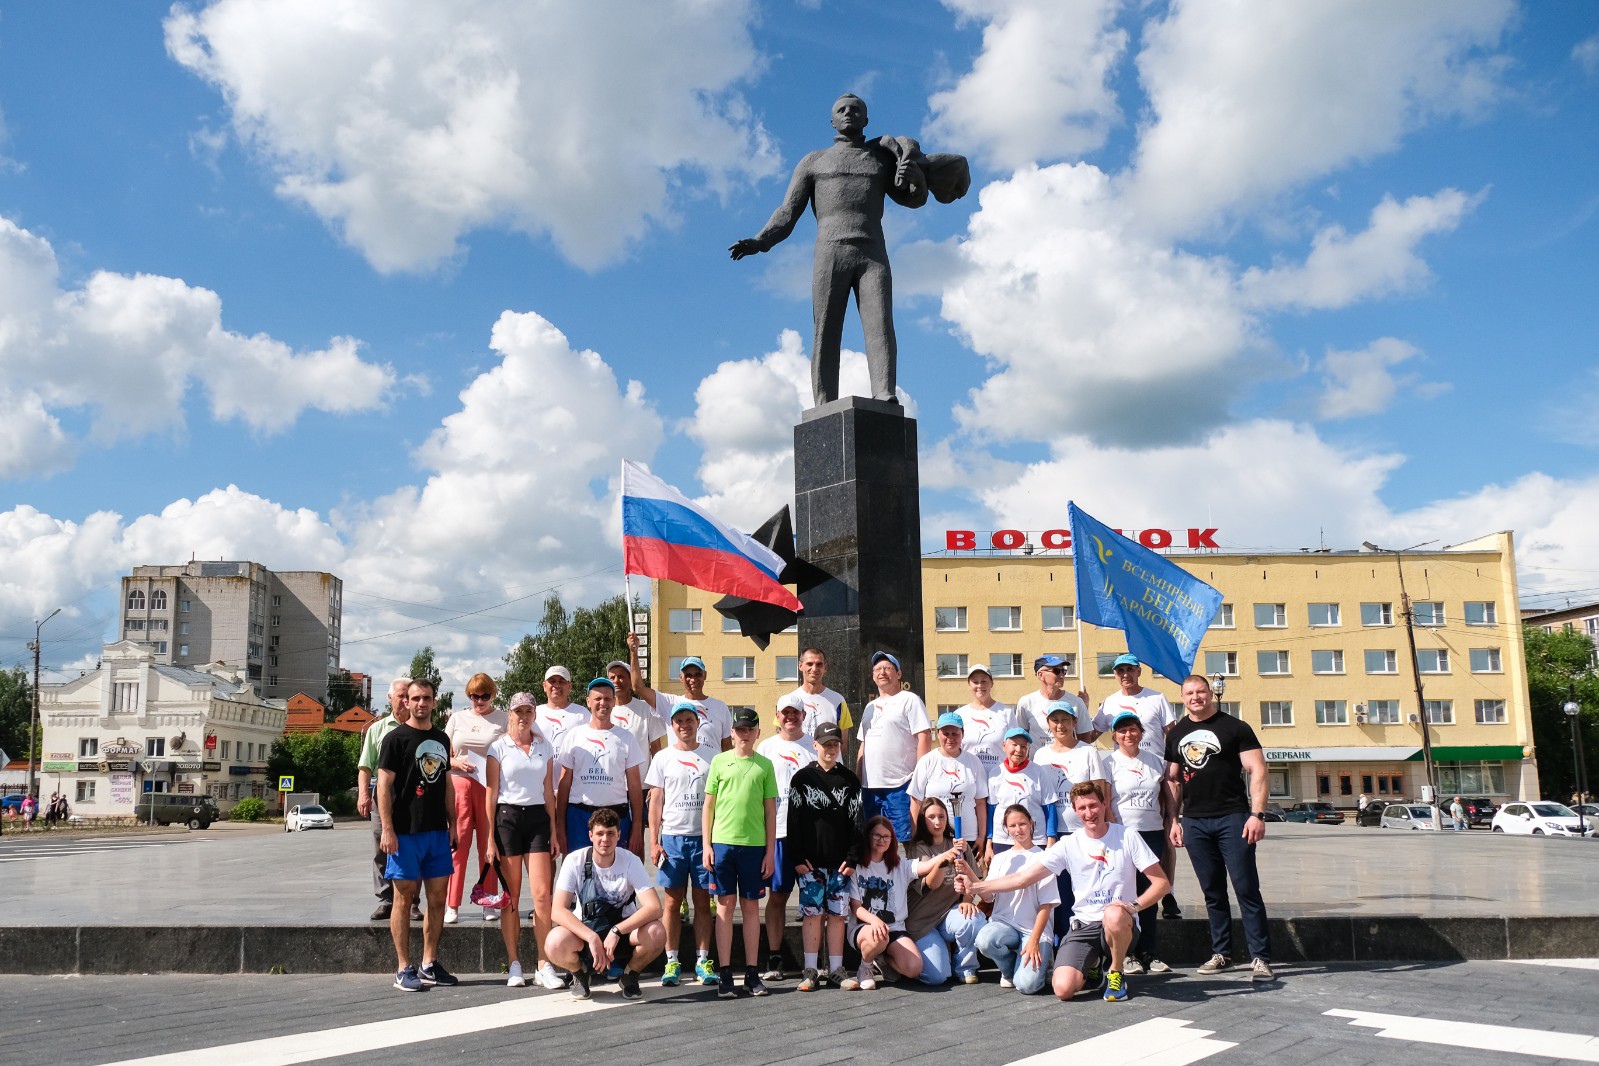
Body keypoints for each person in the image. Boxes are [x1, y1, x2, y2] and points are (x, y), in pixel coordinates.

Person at [729, 93, 967, 406]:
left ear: (866, 119)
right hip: (830, 253)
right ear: (832, 120)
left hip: (872, 254)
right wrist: (761, 241)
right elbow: (788, 211)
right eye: (841, 110)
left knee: (880, 324)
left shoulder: (881, 159)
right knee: (826, 330)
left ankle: (884, 392)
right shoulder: (814, 161)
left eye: (855, 109)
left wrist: (916, 181)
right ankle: (824, 402)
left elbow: (913, 199)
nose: (848, 113)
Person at [966, 783, 1170, 1003]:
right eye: (1082, 808)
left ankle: (1116, 972)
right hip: (1084, 925)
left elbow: (1162, 884)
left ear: (1104, 805)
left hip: (1120, 924)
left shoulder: (1127, 836)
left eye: (1093, 805)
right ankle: (1093, 968)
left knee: (1113, 913)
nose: (1089, 813)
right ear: (1075, 810)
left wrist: (1133, 907)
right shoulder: (1069, 843)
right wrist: (976, 886)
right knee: (1062, 989)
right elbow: (1023, 878)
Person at [1165, 674, 1274, 981]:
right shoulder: (1176, 734)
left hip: (1234, 818)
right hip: (1196, 822)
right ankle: (1221, 953)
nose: (1195, 697)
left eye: (1200, 691)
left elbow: (1257, 770)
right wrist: (1175, 820)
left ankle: (1260, 957)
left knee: (1246, 888)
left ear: (1210, 694)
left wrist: (1258, 814)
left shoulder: (1235, 728)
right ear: (1183, 697)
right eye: (1189, 693)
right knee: (1212, 891)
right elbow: (1172, 778)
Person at [377, 678, 459, 992]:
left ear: (434, 702)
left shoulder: (440, 738)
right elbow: (382, 786)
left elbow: (447, 785)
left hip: (437, 832)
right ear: (406, 702)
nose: (421, 703)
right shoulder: (395, 739)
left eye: (426, 698)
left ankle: (428, 963)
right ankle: (402, 968)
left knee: (437, 900)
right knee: (403, 899)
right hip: (405, 833)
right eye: (415, 698)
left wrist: (453, 823)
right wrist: (387, 829)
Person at [545, 807, 667, 1001]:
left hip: (622, 933)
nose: (605, 839)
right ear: (590, 835)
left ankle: (630, 975)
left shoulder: (630, 861)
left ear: (619, 835)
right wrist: (591, 937)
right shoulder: (574, 861)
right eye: (600, 833)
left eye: (610, 834)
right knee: (553, 942)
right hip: (587, 932)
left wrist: (617, 931)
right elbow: (557, 911)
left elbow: (654, 907)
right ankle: (580, 974)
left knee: (657, 932)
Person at [1092, 653, 1181, 917]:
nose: (1125, 675)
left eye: (1130, 669)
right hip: (1124, 774)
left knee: (1164, 833)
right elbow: (1090, 735)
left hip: (1157, 772)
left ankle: (1168, 893)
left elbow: (1173, 736)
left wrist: (1176, 768)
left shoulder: (1156, 698)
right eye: (1120, 671)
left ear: (1138, 671)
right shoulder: (1110, 702)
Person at [484, 692, 561, 989]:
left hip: (539, 819)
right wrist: (490, 838)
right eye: (518, 711)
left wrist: (553, 830)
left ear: (534, 714)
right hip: (508, 820)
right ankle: (514, 963)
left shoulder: (545, 746)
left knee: (543, 895)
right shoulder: (498, 748)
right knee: (511, 897)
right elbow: (491, 794)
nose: (523, 716)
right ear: (510, 714)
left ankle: (544, 963)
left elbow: (548, 791)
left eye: (528, 711)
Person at [702, 707, 780, 998]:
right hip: (722, 844)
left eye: (750, 729)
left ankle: (751, 971)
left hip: (754, 846)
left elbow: (770, 812)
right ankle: (724, 972)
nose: (744, 734)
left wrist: (770, 852)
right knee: (724, 907)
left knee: (750, 908)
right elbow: (708, 806)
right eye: (740, 729)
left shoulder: (765, 765)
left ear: (758, 732)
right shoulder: (719, 762)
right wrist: (707, 845)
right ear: (732, 733)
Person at [645, 700, 721, 987]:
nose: (684, 725)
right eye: (678, 721)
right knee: (672, 903)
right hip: (673, 839)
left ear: (697, 723)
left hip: (704, 840)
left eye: (689, 720)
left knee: (703, 902)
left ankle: (703, 961)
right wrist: (654, 841)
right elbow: (656, 802)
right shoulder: (662, 757)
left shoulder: (713, 757)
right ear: (672, 725)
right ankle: (672, 961)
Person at [787, 720, 863, 991]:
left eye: (835, 744)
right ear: (815, 745)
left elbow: (857, 821)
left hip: (840, 865)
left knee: (838, 915)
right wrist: (797, 857)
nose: (831, 749)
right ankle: (810, 970)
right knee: (812, 914)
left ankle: (836, 969)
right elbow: (792, 820)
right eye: (826, 744)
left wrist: (853, 857)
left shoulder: (850, 780)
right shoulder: (802, 779)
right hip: (811, 864)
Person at [756, 694, 817, 981]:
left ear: (804, 715)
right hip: (778, 833)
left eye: (796, 712)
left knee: (815, 899)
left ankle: (815, 961)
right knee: (778, 896)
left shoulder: (816, 746)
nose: (790, 717)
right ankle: (775, 956)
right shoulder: (766, 747)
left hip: (811, 837)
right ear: (777, 715)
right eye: (785, 712)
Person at [1107, 711, 1172, 975]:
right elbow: (1105, 802)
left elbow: (1165, 799)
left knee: (1149, 894)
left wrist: (1170, 823)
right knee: (1125, 894)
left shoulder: (1156, 762)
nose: (1128, 735)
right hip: (1123, 836)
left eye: (1133, 729)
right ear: (1114, 736)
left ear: (1142, 733)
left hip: (1151, 833)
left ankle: (1149, 952)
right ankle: (1128, 954)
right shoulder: (1108, 763)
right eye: (1122, 731)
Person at [555, 678, 647, 859]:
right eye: (597, 699)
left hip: (616, 817)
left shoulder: (626, 738)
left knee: (616, 878)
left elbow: (635, 786)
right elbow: (564, 783)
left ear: (614, 701)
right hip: (579, 818)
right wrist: (560, 825)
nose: (602, 703)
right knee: (578, 875)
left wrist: (637, 827)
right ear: (588, 701)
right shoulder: (574, 736)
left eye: (607, 699)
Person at [443, 672, 507, 924]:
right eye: (473, 696)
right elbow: (440, 755)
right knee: (457, 847)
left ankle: (488, 899)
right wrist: (455, 761)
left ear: (493, 695)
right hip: (460, 785)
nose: (479, 701)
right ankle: (452, 904)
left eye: (484, 696)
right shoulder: (457, 718)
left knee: (488, 847)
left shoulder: (503, 718)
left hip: (490, 786)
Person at [972, 805, 1057, 994]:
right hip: (1005, 925)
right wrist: (972, 881)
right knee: (985, 939)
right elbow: (989, 895)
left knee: (1028, 986)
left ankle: (1044, 960)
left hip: (1034, 931)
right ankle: (1009, 969)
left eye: (1022, 824)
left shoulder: (1044, 858)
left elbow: (1046, 905)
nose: (1018, 830)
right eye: (1013, 826)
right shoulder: (1000, 858)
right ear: (1006, 829)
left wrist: (1034, 940)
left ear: (1032, 824)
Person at [357, 678, 420, 922]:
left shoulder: (422, 728)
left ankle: (412, 902)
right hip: (383, 797)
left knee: (413, 849)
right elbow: (365, 766)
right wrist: (363, 793)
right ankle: (386, 899)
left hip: (414, 798)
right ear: (390, 698)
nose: (406, 701)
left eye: (409, 696)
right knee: (381, 848)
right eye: (402, 695)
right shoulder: (377, 729)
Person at [905, 797, 986, 985]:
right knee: (937, 977)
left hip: (947, 914)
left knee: (973, 918)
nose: (937, 822)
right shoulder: (918, 849)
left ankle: (966, 968)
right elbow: (932, 884)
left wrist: (966, 900)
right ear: (923, 819)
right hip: (922, 921)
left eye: (941, 817)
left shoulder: (958, 845)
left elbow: (972, 879)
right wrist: (943, 861)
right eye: (931, 817)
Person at [856, 650, 932, 842]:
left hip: (900, 785)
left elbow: (924, 736)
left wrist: (920, 776)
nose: (882, 672)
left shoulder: (910, 700)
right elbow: (863, 744)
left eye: (888, 668)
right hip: (870, 787)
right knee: (874, 842)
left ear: (898, 674)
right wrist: (858, 780)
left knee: (902, 841)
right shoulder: (869, 707)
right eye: (878, 669)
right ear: (873, 676)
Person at [842, 815, 923, 989]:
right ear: (868, 836)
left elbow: (924, 866)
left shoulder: (899, 864)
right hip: (864, 928)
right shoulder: (857, 866)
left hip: (894, 928)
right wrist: (875, 920)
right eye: (876, 835)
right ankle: (865, 966)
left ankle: (883, 960)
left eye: (886, 836)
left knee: (914, 968)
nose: (882, 840)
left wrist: (945, 856)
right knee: (879, 936)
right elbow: (855, 907)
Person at [629, 633, 733, 752]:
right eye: (688, 675)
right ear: (680, 677)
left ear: (705, 675)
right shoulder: (670, 703)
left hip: (711, 770)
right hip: (679, 769)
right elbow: (638, 687)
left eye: (698, 674)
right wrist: (634, 652)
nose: (693, 679)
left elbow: (727, 747)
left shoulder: (720, 707)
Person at [907, 711, 989, 848]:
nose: (950, 738)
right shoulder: (927, 761)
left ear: (962, 734)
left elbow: (980, 803)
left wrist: (981, 837)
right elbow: (916, 803)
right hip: (935, 837)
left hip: (967, 837)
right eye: (945, 733)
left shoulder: (974, 762)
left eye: (955, 733)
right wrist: (916, 838)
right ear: (938, 734)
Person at [983, 727, 1058, 866]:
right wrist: (989, 843)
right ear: (1004, 746)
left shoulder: (1038, 772)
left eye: (1024, 746)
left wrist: (1051, 840)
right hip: (1003, 839)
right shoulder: (995, 773)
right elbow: (991, 810)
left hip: (1035, 839)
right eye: (1015, 745)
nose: (1019, 750)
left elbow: (1050, 807)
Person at [1016, 654, 1091, 746]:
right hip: (1036, 759)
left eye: (1063, 671)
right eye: (1057, 671)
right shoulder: (1026, 702)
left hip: (1066, 759)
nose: (1062, 675)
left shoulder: (1076, 702)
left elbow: (1085, 740)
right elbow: (1021, 737)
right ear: (1040, 675)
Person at [957, 663, 1016, 777]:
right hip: (969, 778)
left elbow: (1014, 746)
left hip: (1000, 779)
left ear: (991, 683)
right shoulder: (960, 715)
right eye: (975, 682)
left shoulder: (1006, 712)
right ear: (969, 685)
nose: (980, 685)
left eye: (984, 681)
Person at [783, 646, 854, 740]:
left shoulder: (838, 700)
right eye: (809, 664)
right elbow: (783, 739)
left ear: (825, 667)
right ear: (800, 666)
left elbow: (842, 744)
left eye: (819, 664)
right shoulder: (788, 700)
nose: (814, 668)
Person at [608, 657, 667, 759]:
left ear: (631, 681)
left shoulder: (646, 708)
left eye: (621, 676)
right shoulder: (604, 710)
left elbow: (656, 747)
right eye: (612, 678)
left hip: (641, 774)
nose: (616, 681)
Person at [536, 667, 587, 750]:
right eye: (552, 681)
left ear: (569, 686)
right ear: (544, 686)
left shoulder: (582, 714)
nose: (556, 685)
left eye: (561, 681)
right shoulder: (534, 713)